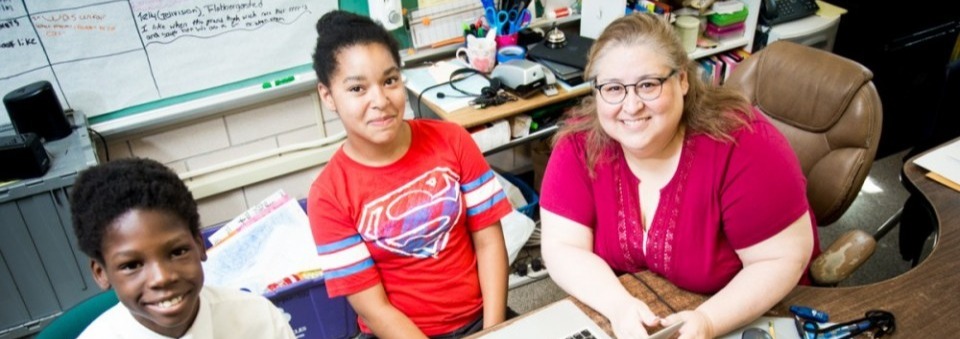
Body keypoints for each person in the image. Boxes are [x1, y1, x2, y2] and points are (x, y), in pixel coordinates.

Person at [539, 13, 819, 339]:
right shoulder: (579, 145)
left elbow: (780, 258)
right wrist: (618, 306)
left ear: (682, 80)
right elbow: (563, 246)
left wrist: (709, 322)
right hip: (647, 304)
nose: (630, 106)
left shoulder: (742, 143)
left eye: (648, 84)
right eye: (613, 88)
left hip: (755, 313)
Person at [307, 10, 513, 339]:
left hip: (481, 321)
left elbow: (489, 242)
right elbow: (374, 309)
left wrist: (493, 331)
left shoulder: (453, 140)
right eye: (358, 89)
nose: (380, 101)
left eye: (390, 81)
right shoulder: (328, 195)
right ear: (328, 95)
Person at [70, 158, 296, 338]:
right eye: (132, 265)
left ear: (199, 245)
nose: (162, 278)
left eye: (177, 252)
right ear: (101, 272)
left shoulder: (259, 320)